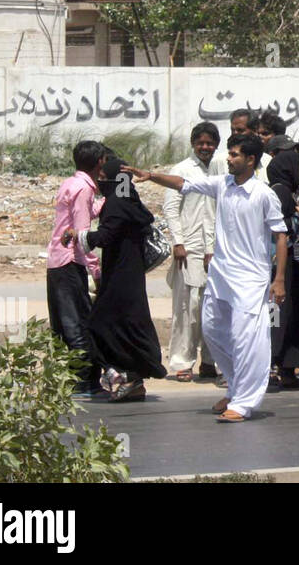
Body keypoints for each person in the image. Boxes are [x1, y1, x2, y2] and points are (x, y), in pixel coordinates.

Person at [129, 134, 288, 423]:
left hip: (250, 280)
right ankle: (235, 386)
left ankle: (244, 402)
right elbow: (182, 184)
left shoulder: (264, 194)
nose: (229, 158)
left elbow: (280, 235)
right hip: (220, 275)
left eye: (235, 154)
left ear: (251, 160)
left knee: (247, 340)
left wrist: (279, 279)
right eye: (229, 153)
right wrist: (150, 175)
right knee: (213, 330)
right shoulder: (222, 185)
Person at [64, 157, 167, 401]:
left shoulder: (118, 202)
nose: (99, 182)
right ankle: (133, 379)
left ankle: (124, 374)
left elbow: (106, 236)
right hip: (127, 274)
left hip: (121, 275)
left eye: (102, 177)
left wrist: (76, 235)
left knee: (101, 323)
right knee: (126, 323)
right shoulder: (127, 198)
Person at [162, 122, 225, 382]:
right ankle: (181, 362)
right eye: (201, 143)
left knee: (213, 309)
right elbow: (170, 208)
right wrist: (178, 242)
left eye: (210, 143)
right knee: (187, 309)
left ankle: (209, 362)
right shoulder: (181, 170)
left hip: (216, 251)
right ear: (193, 143)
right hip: (188, 248)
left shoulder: (221, 168)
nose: (205, 147)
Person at [47, 140, 106, 396]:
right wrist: (95, 269)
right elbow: (82, 234)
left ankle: (68, 381)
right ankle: (85, 382)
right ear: (99, 162)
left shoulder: (71, 183)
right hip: (70, 261)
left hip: (56, 260)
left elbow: (83, 213)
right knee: (78, 322)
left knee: (62, 323)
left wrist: (105, 201)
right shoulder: (83, 188)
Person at [267, 149, 299, 390]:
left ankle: (286, 367)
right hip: (279, 269)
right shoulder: (281, 193)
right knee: (276, 318)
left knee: (287, 316)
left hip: (285, 267)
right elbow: (282, 232)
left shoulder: (282, 192)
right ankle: (272, 366)